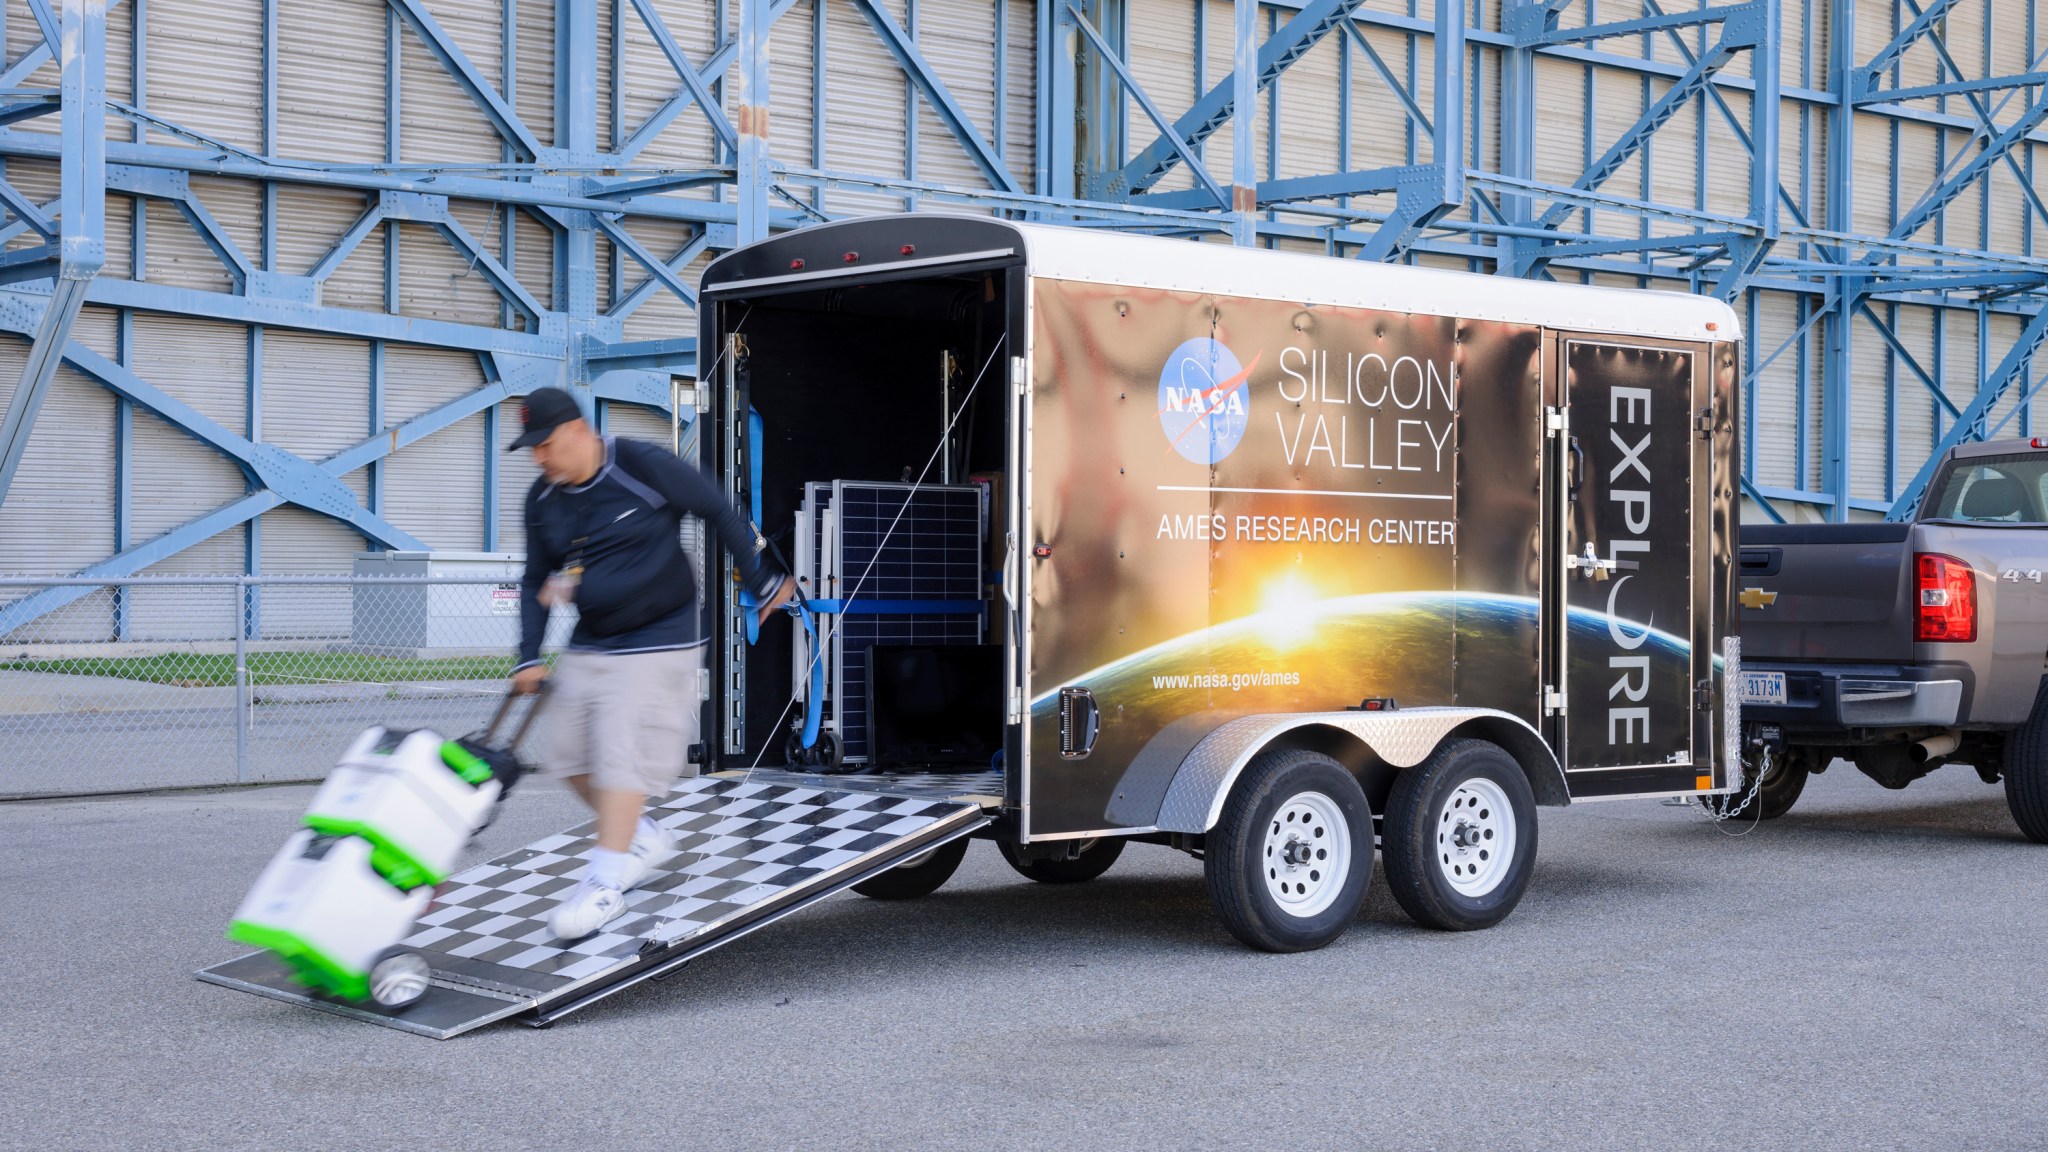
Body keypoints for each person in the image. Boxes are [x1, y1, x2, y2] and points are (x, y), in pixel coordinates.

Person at [507, 386, 793, 940]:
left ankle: (605, 880)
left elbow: (717, 509)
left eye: (544, 445)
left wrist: (759, 580)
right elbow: (532, 581)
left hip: (661, 636)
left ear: (575, 431)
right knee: (566, 754)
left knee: (619, 752)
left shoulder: (641, 464)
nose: (539, 458)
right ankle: (641, 834)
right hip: (593, 639)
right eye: (532, 449)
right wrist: (526, 657)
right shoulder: (543, 500)